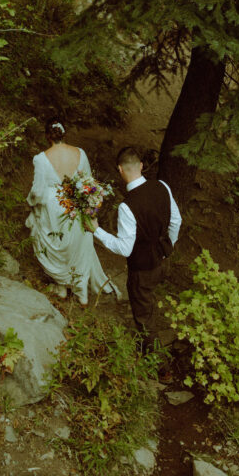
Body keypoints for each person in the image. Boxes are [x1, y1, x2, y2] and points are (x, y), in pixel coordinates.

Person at [86, 145, 181, 353]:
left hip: (142, 269)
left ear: (120, 170)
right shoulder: (162, 186)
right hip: (164, 260)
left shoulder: (127, 206)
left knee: (144, 316)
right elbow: (176, 221)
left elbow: (125, 248)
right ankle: (150, 342)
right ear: (141, 165)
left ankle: (154, 362)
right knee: (149, 301)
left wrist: (96, 230)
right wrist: (167, 247)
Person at [26, 117, 119, 305]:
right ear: (64, 134)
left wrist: (32, 202)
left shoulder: (41, 159)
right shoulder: (80, 153)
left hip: (52, 206)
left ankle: (61, 286)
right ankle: (80, 291)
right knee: (78, 244)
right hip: (75, 203)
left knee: (55, 242)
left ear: (47, 136)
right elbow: (88, 181)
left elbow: (37, 191)